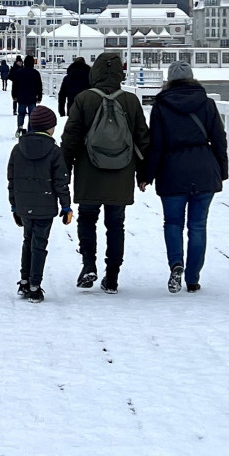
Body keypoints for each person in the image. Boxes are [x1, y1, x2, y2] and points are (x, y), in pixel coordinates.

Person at [60, 52, 150, 294]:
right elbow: (143, 140)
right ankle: (112, 276)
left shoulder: (84, 99)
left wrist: (64, 170)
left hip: (89, 170)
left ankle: (89, 264)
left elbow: (70, 138)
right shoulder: (131, 101)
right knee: (116, 224)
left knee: (87, 219)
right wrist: (143, 174)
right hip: (121, 172)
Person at [144, 61, 228, 294]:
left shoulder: (161, 106)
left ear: (169, 80)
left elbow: (156, 146)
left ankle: (176, 264)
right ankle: (192, 278)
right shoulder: (207, 104)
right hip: (203, 169)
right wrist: (221, 170)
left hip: (172, 171)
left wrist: (146, 175)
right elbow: (219, 139)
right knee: (198, 226)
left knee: (172, 223)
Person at [8, 105, 72, 302]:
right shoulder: (54, 151)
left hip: (25, 204)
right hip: (45, 206)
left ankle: (24, 281)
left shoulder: (18, 149)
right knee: (39, 244)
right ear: (49, 128)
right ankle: (35, 284)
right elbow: (61, 181)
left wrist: (15, 206)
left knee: (28, 241)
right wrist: (66, 206)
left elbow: (13, 180)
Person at [11, 55, 43, 136]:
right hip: (32, 97)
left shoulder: (19, 72)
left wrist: (14, 95)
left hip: (21, 96)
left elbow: (15, 85)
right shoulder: (35, 73)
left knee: (21, 114)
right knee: (31, 115)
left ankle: (19, 128)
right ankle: (30, 131)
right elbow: (39, 86)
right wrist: (39, 97)